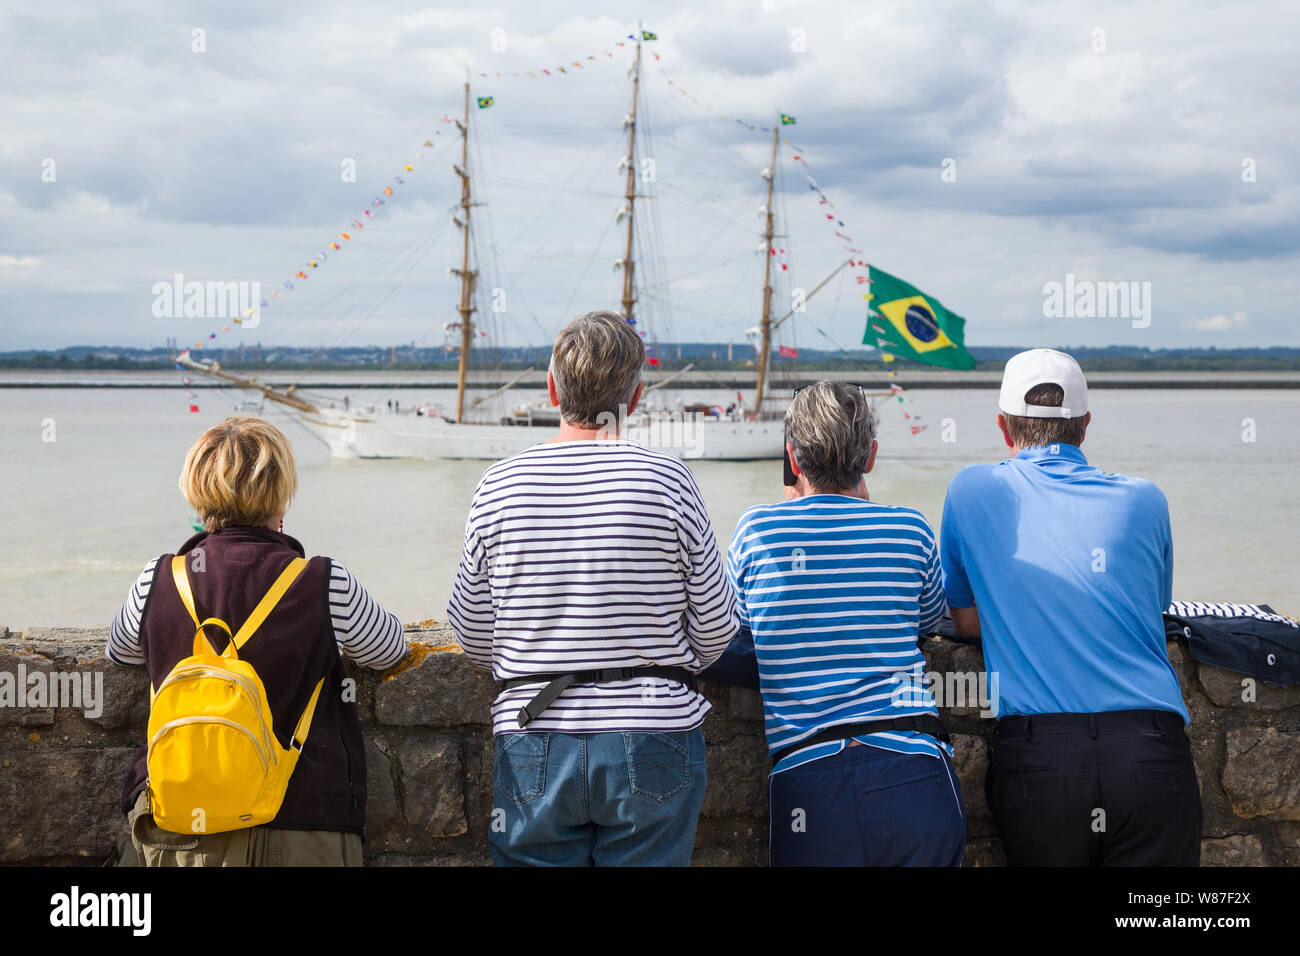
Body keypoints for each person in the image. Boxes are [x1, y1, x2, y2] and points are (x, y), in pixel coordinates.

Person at [447, 310, 739, 867]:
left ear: (552, 387)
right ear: (636, 396)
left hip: (533, 731)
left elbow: (470, 629)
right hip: (654, 728)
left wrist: (524, 663)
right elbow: (716, 627)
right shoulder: (669, 479)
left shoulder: (498, 485)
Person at [940, 348, 1201, 866]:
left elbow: (965, 619)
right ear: (1084, 424)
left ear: (1002, 426)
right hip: (1151, 747)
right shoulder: (1145, 498)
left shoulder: (971, 490)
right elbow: (1154, 607)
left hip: (1042, 757)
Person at [107, 416, 407, 866]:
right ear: (281, 491)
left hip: (181, 828)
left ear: (197, 491)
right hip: (304, 823)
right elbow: (389, 650)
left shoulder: (159, 577)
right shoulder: (322, 581)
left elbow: (120, 650)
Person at [720, 382, 965, 866]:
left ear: (792, 456)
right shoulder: (909, 528)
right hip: (915, 768)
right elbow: (935, 618)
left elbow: (732, 631)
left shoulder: (756, 532)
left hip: (810, 780)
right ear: (870, 456)